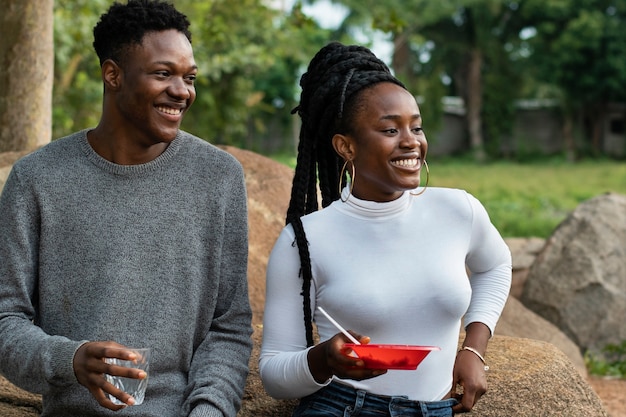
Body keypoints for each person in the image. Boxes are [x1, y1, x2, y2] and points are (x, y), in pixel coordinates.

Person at [0, 1, 252, 415]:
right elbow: (6, 319)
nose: (182, 91)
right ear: (112, 75)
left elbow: (229, 327)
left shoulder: (218, 178)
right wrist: (70, 359)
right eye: (162, 73)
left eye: (189, 77)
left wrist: (209, 410)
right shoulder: (37, 180)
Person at [259, 41, 512, 416]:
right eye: (390, 130)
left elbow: (495, 266)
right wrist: (325, 360)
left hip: (436, 408)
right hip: (342, 406)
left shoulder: (458, 209)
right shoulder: (305, 240)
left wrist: (474, 349)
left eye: (417, 127)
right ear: (346, 146)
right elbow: (273, 374)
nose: (411, 141)